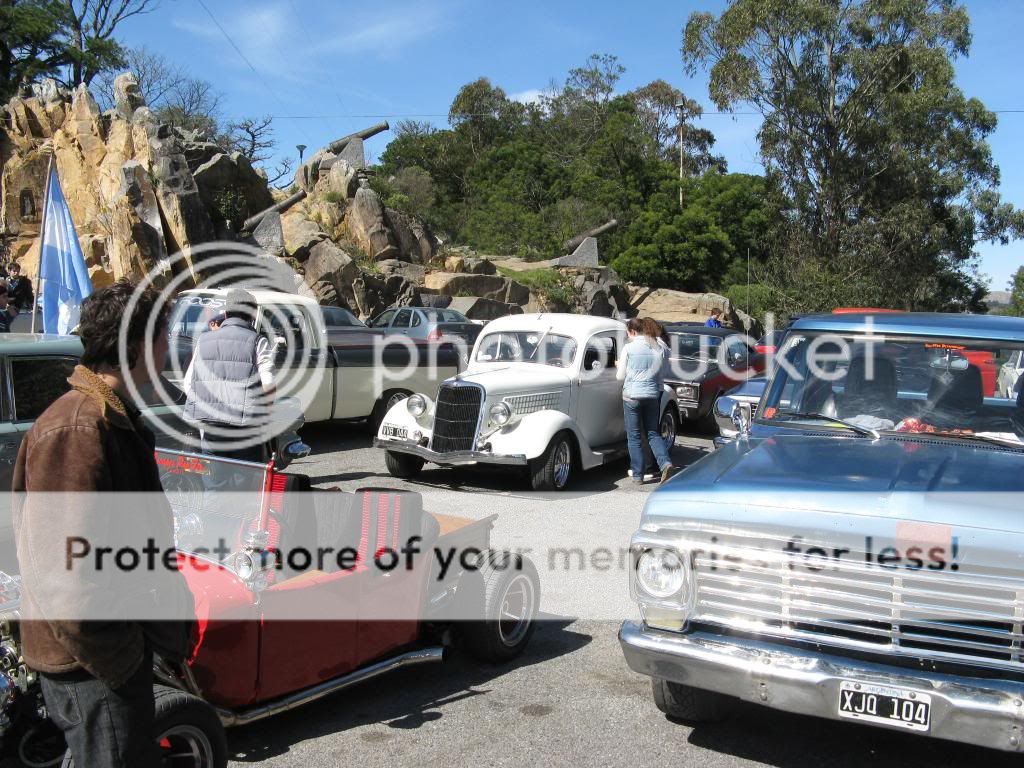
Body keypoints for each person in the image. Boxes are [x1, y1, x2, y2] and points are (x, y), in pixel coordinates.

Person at [13, 280, 195, 767]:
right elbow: (64, 573)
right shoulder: (78, 428)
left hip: (104, 660)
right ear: (135, 348)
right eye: (163, 338)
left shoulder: (109, 417)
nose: (168, 351)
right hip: (93, 666)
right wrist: (124, 657)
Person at [183, 288, 275, 462]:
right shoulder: (258, 341)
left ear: (225, 314)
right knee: (246, 481)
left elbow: (189, 383)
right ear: (252, 316)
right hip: (247, 428)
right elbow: (267, 384)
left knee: (215, 483)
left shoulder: (203, 340)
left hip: (212, 428)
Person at [617, 317, 676, 485]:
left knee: (634, 436)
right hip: (652, 395)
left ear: (632, 331)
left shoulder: (628, 348)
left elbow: (620, 376)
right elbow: (663, 371)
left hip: (632, 396)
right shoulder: (657, 348)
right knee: (653, 432)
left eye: (628, 333)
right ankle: (665, 463)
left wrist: (619, 366)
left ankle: (638, 475)